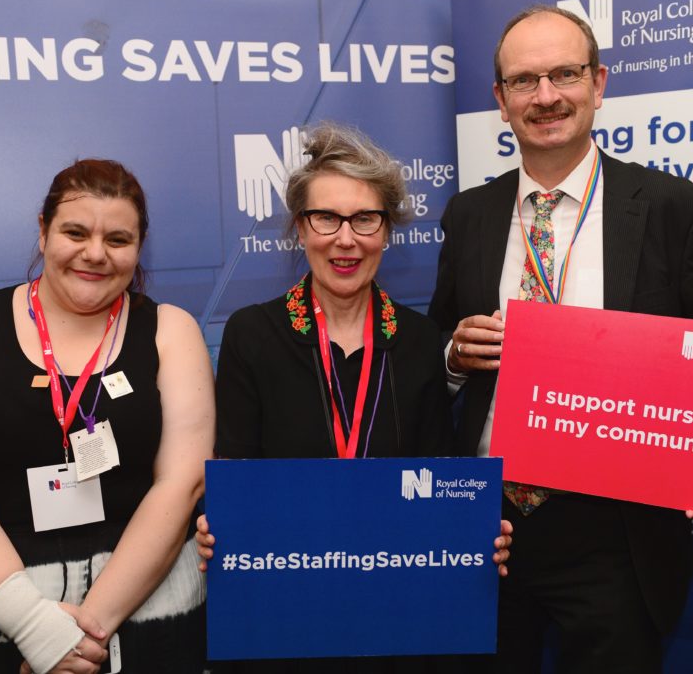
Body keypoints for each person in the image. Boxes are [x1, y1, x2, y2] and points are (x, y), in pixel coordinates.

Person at [428, 5, 693, 674]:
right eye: (525, 81)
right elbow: (439, 336)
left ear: (600, 83)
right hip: (485, 522)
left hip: (615, 531)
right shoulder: (468, 214)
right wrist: (452, 353)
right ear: (500, 102)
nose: (547, 96)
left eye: (565, 73)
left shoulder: (675, 208)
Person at [195, 123, 512, 673]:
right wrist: (220, 524)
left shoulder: (416, 341)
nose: (346, 239)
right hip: (283, 606)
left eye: (366, 219)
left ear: (388, 231)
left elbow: (439, 475)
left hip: (399, 610)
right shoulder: (253, 333)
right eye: (326, 218)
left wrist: (474, 529)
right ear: (300, 228)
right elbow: (236, 470)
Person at [0, 159, 212, 673]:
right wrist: (34, 626)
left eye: (117, 239)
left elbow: (181, 485)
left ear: (139, 246)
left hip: (146, 612)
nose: (95, 253)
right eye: (75, 231)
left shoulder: (170, 331)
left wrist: (84, 633)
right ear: (43, 232)